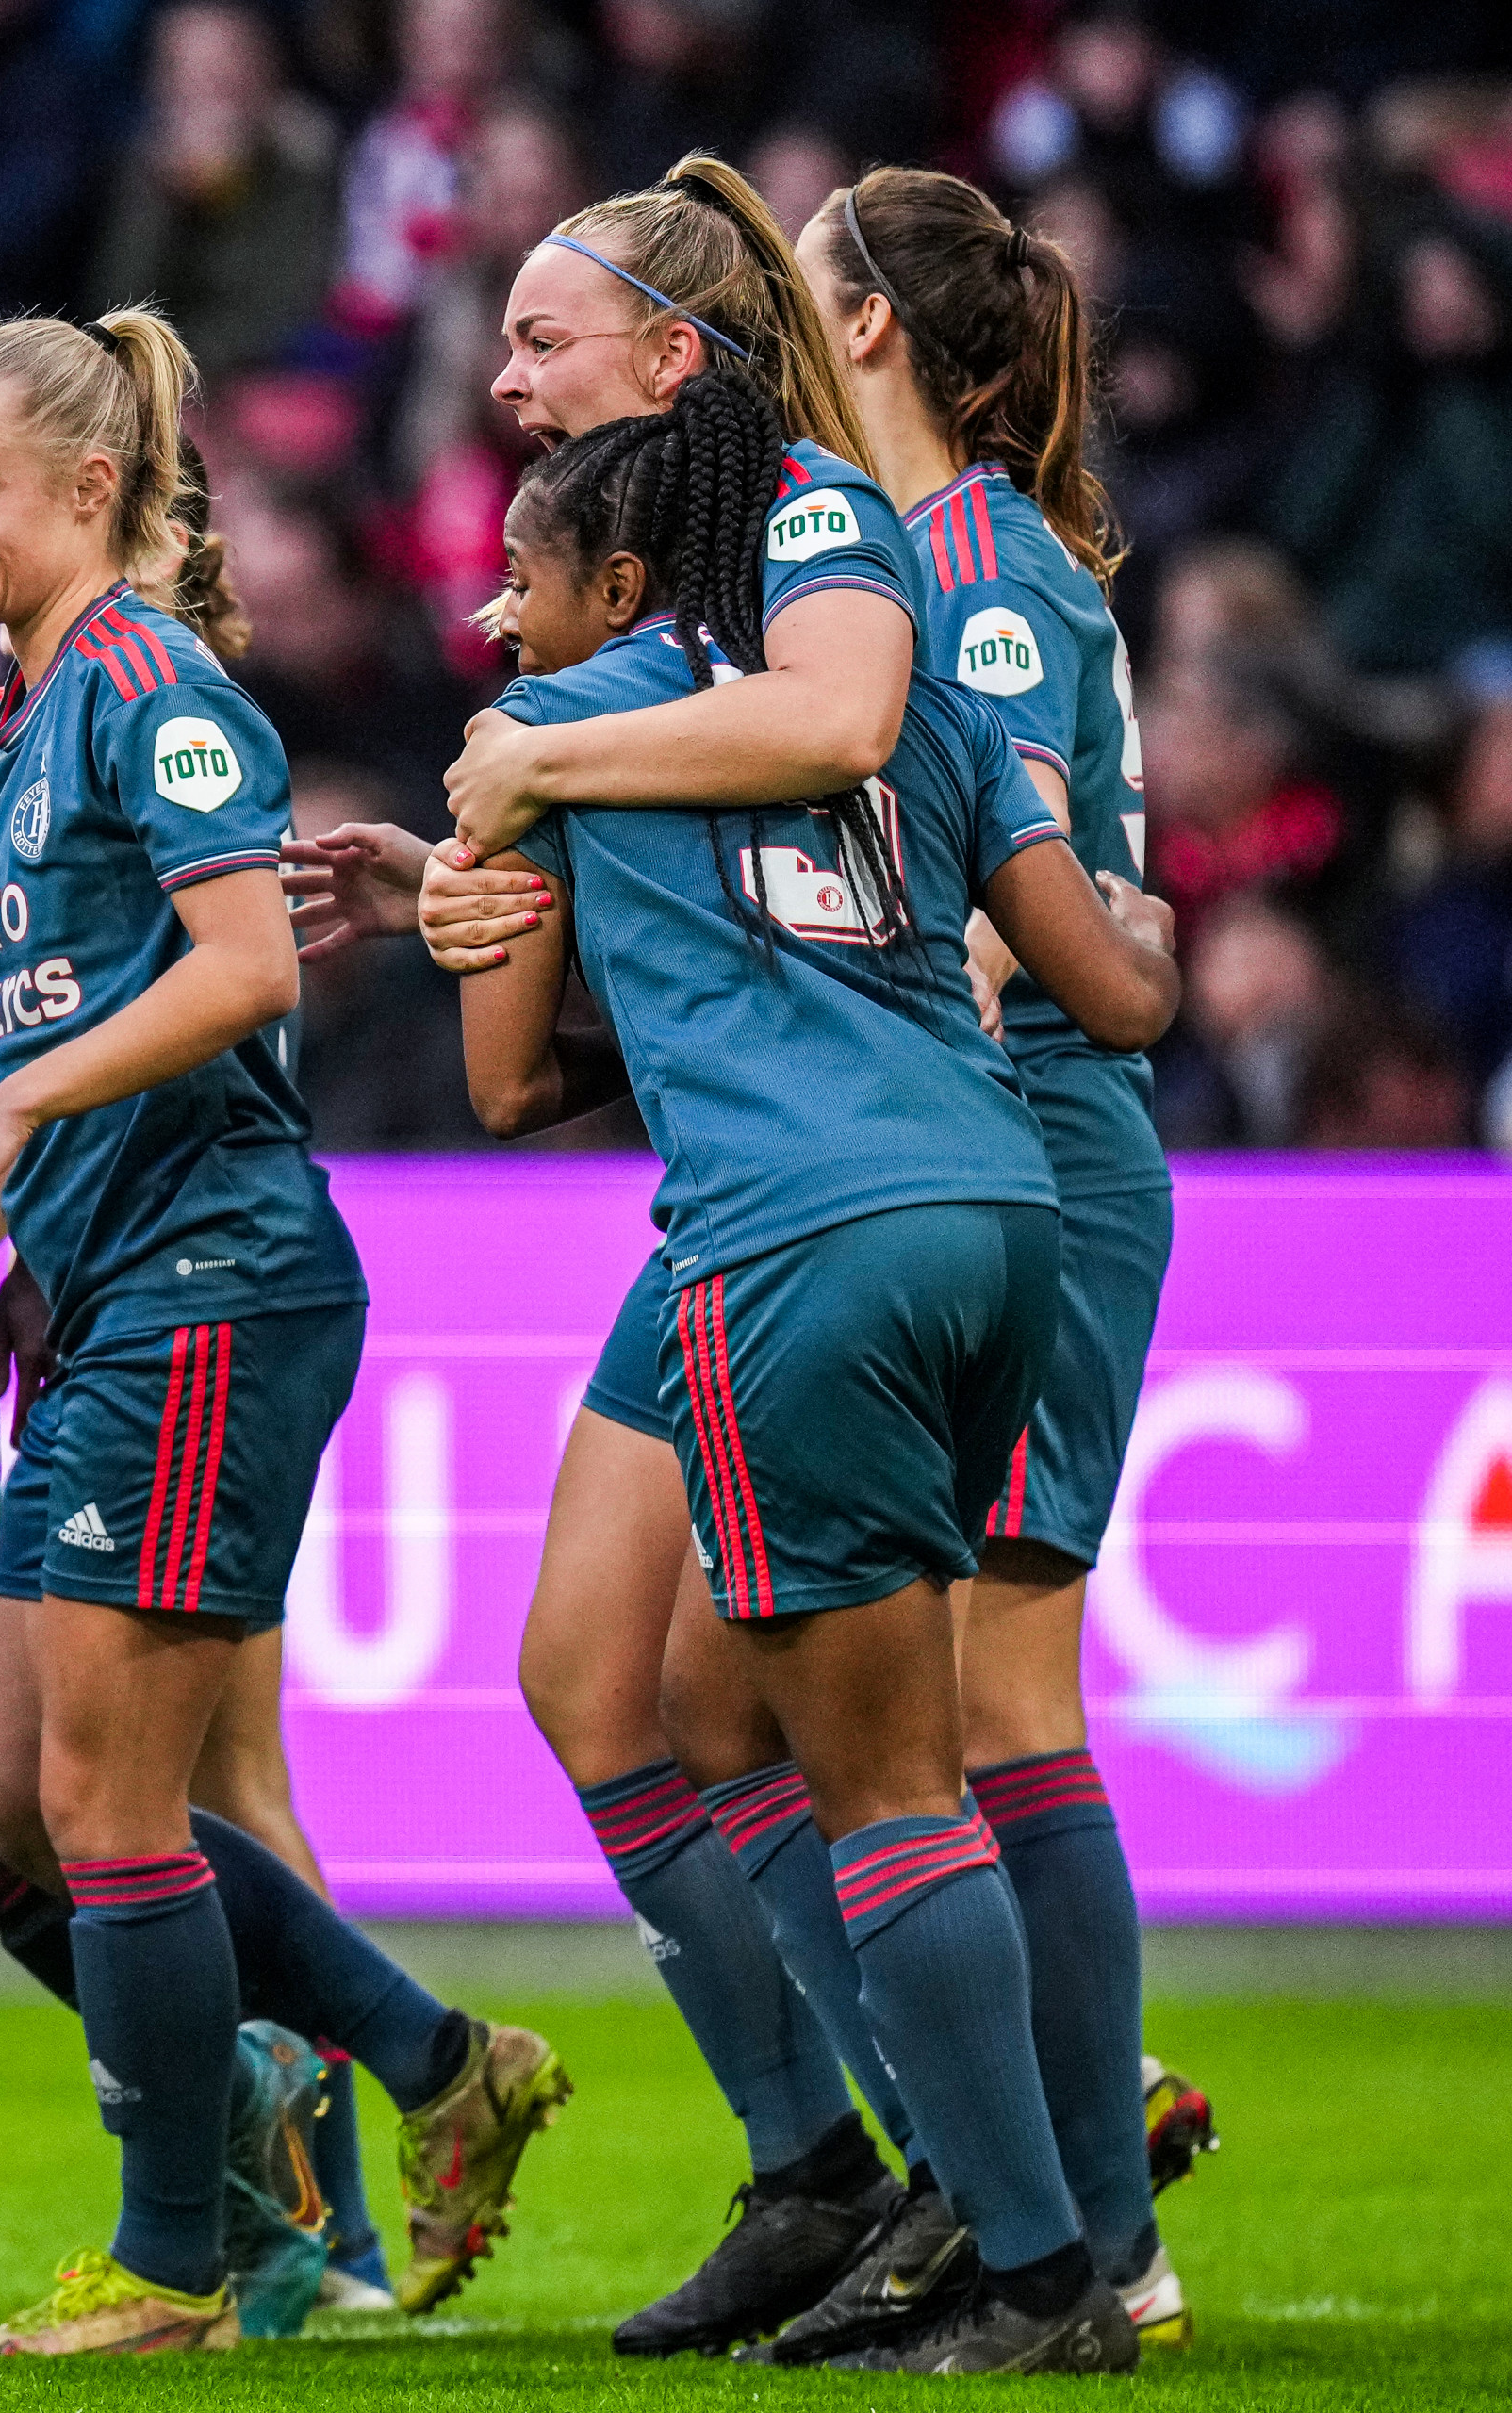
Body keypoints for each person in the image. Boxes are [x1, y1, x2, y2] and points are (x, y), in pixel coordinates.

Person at [0, 304, 559, 2356]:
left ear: (92, 486)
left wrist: (10, 1106)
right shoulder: (7, 728)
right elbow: (30, 995)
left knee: (106, 1810)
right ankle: (440, 2059)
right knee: (8, 1800)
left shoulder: (160, 692)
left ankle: (177, 2262)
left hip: (210, 1282)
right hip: (107, 1304)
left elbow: (244, 968)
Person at [436, 365, 1181, 2375]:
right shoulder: (925, 703)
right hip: (1000, 1215)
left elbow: (505, 1081)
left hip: (793, 1248)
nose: (497, 620)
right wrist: (1140, 902)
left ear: (618, 576)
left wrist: (480, 871)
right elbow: (1114, 989)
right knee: (807, 1722)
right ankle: (1023, 2224)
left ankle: (1033, 2277)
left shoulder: (544, 739)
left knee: (883, 1791)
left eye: (522, 578)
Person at [294, 151, 949, 2358]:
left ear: (674, 357)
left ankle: (1002, 2152)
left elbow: (850, 725)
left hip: (887, 1161)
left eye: (539, 337)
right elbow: (551, 1052)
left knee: (896, 1716)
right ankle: (830, 2161)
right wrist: (466, 881)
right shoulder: (646, 613)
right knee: (603, 1681)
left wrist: (539, 767)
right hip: (742, 1182)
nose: (499, 376)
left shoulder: (812, 520)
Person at [811, 160, 1209, 2348]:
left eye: (808, 286)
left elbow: (1022, 838)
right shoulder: (937, 547)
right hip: (994, 1136)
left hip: (1036, 1125)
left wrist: (966, 955)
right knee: (906, 1699)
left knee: (995, 1694)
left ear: (867, 327)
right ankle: (1023, 2192)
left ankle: (1091, 2234)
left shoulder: (967, 561)